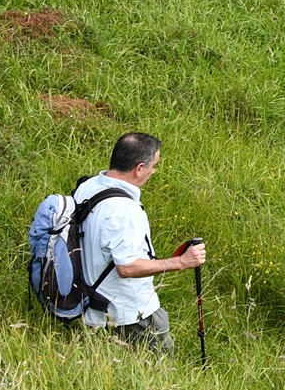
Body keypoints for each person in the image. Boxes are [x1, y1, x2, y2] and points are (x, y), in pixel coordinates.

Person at [76, 131, 205, 352]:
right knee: (161, 368)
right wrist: (182, 262)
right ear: (139, 169)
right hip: (128, 313)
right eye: (153, 166)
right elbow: (127, 267)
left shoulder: (88, 187)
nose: (153, 171)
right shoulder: (124, 211)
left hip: (89, 303)